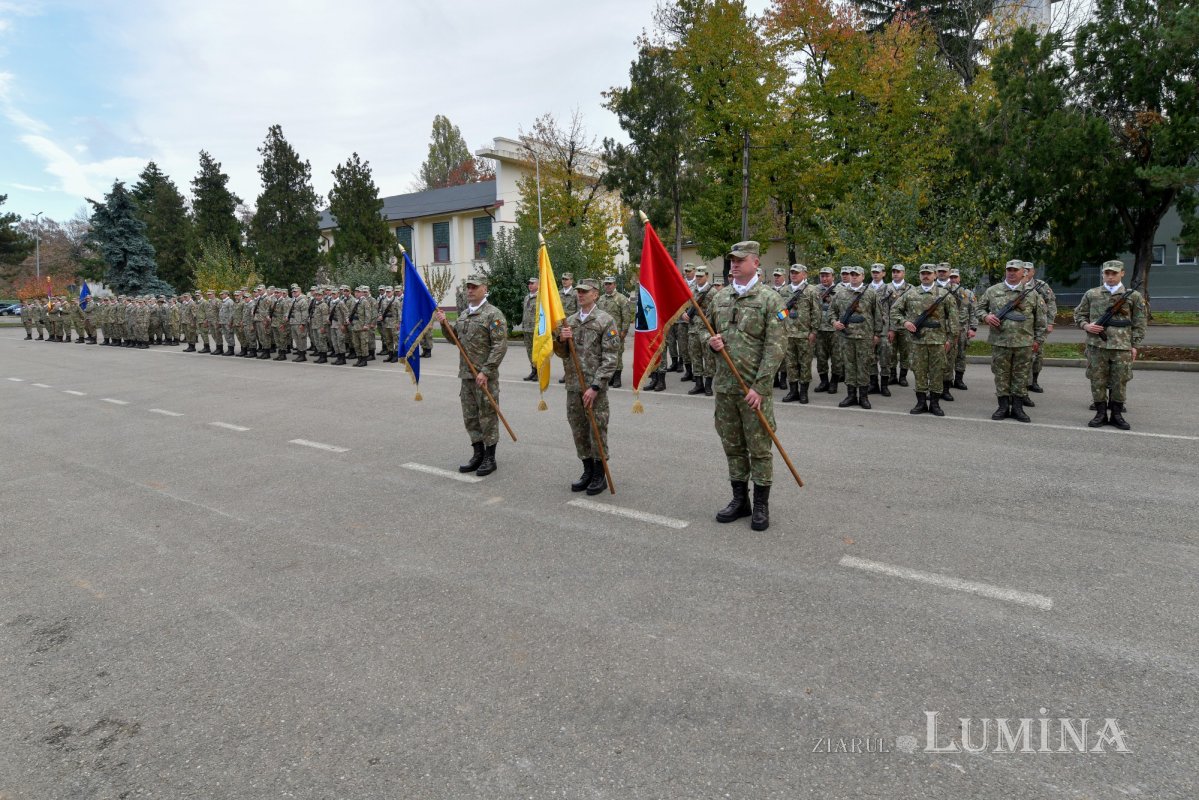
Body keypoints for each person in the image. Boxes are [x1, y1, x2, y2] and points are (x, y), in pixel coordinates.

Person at [707, 241, 785, 532]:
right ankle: (740, 500)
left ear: (755, 262)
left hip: (753, 391)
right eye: (732, 260)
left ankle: (762, 506)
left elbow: (776, 347)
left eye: (740, 260)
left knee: (759, 448)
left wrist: (760, 387)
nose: (734, 264)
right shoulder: (720, 298)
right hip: (725, 387)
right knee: (733, 446)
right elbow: (707, 330)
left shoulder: (769, 299)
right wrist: (711, 343)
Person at [435, 274, 508, 476]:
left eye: (474, 287)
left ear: (485, 289)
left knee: (488, 416)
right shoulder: (464, 314)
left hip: (484, 376)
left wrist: (486, 371)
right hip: (467, 375)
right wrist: (444, 324)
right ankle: (477, 453)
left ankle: (490, 457)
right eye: (468, 287)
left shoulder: (494, 315)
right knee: (471, 417)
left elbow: (499, 346)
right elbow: (454, 339)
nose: (470, 290)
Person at [554, 278, 620, 495]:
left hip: (594, 388)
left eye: (585, 291)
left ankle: (599, 474)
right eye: (578, 291)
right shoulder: (569, 321)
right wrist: (561, 340)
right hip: (573, 385)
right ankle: (587, 469)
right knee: (579, 429)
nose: (580, 294)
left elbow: (611, 358)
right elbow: (562, 354)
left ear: (596, 294)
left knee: (596, 430)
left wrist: (595, 386)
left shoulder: (605, 320)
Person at [1074, 260, 1146, 430]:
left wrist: (1134, 345)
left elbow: (1140, 322)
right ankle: (1100, 414)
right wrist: (1087, 326)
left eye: (1114, 273)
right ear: (1103, 274)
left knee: (1119, 382)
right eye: (1107, 273)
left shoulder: (1133, 296)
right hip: (1096, 346)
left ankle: (1116, 415)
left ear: (1122, 273)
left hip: (1122, 347)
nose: (1110, 276)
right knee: (1097, 381)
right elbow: (1078, 315)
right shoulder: (1092, 294)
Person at [975, 259, 1047, 423]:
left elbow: (1040, 320)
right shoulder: (993, 290)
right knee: (1001, 375)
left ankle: (1018, 408)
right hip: (1000, 342)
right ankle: (1002, 407)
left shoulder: (1033, 294)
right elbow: (979, 309)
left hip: (1024, 342)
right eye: (1009, 269)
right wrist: (986, 316)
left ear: (1024, 272)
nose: (1012, 273)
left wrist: (1038, 340)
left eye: (1015, 270)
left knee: (1021, 376)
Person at [890, 265, 952, 416]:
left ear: (934, 275)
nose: (925, 276)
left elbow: (953, 319)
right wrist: (905, 322)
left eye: (928, 274)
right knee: (919, 372)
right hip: (917, 343)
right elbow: (894, 310)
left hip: (938, 342)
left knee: (937, 373)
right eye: (923, 274)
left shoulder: (944, 294)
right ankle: (921, 402)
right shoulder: (910, 294)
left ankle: (935, 404)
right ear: (919, 276)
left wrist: (951, 339)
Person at [830, 266, 883, 409]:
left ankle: (864, 397)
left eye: (856, 275)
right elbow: (831, 311)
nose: (853, 277)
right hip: (846, 337)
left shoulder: (871, 293)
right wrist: (835, 322)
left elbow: (878, 315)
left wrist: (877, 334)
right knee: (849, 366)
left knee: (864, 366)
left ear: (863, 276)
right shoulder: (840, 293)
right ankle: (851, 395)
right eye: (851, 274)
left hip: (865, 337)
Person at [779, 264, 821, 403]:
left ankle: (803, 392)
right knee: (790, 364)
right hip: (788, 334)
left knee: (805, 364)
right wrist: (781, 323)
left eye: (797, 272)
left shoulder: (811, 291)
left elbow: (816, 312)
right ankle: (793, 391)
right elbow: (780, 313)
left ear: (805, 274)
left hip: (805, 334)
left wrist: (814, 331)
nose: (793, 275)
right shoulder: (785, 291)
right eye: (792, 272)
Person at [1023, 261, 1056, 393]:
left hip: (1039, 325)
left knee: (1038, 354)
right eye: (1023, 269)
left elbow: (1051, 303)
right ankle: (1024, 382)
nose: (1025, 271)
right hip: (1023, 326)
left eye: (1028, 269)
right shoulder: (1016, 285)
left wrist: (1050, 322)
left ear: (1033, 272)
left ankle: (1034, 381)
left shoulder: (1041, 286)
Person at [596, 275, 633, 389]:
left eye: (610, 284)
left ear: (615, 285)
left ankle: (617, 378)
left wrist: (624, 331)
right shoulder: (601, 299)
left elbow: (626, 316)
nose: (607, 286)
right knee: (605, 355)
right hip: (603, 332)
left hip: (615, 332)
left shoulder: (621, 298)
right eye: (606, 284)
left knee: (617, 355)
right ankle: (609, 377)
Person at [948, 269, 976, 390]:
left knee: (961, 354)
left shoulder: (967, 293)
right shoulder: (944, 292)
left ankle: (959, 380)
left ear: (959, 278)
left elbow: (973, 311)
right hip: (948, 329)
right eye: (951, 277)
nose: (953, 279)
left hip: (962, 329)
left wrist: (973, 328)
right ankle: (947, 380)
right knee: (947, 355)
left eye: (955, 277)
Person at [813, 267, 839, 393]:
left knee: (836, 358)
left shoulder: (841, 290)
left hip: (835, 331)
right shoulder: (815, 290)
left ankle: (834, 382)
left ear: (833, 277)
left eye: (827, 276)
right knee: (821, 357)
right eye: (822, 276)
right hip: (819, 329)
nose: (824, 278)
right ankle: (824, 381)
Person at [521, 277, 539, 381]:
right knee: (529, 351)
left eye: (532, 283)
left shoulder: (541, 297)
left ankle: (539, 372)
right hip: (527, 329)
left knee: (537, 352)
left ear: (538, 285)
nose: (530, 285)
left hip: (535, 329)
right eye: (529, 283)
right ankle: (533, 370)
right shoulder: (526, 297)